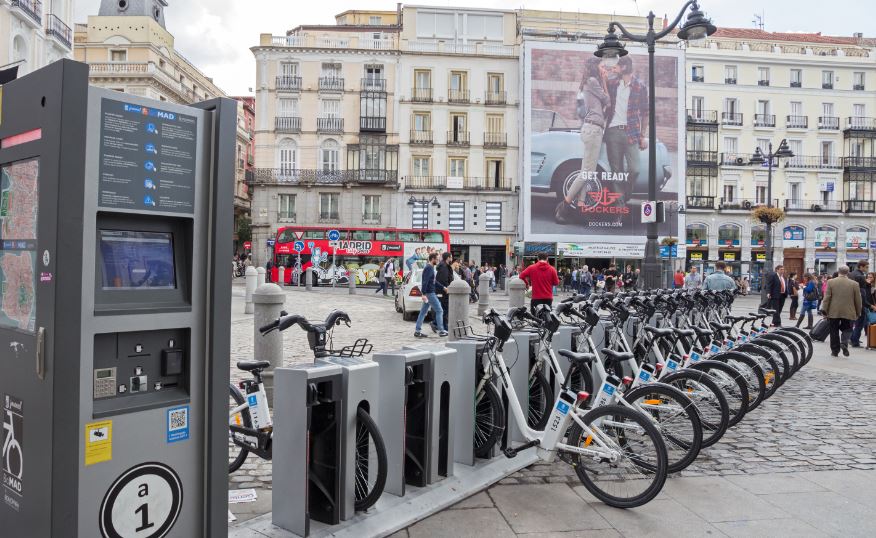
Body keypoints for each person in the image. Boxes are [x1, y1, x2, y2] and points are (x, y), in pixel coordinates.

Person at [556, 57, 611, 224]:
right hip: (593, 129)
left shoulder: (590, 82)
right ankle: (564, 207)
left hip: (593, 129)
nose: (604, 69)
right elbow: (607, 100)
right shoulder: (593, 81)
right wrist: (605, 81)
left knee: (587, 172)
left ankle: (580, 207)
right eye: (602, 66)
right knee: (586, 172)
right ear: (595, 67)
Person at [604, 55, 648, 199]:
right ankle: (619, 205)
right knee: (616, 171)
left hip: (632, 132)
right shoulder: (612, 83)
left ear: (623, 67)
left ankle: (625, 195)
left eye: (616, 66)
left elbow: (645, 113)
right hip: (613, 132)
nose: (614, 68)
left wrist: (642, 135)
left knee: (634, 169)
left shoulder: (640, 87)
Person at [820, 265, 862, 357]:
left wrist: (824, 310)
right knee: (848, 328)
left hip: (833, 311)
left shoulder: (831, 282)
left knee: (833, 330)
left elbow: (827, 297)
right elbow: (858, 300)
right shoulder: (854, 284)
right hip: (849, 311)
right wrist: (858, 311)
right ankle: (844, 342)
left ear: (838, 271)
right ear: (848, 272)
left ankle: (835, 351)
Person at [414, 253, 448, 338]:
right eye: (436, 259)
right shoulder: (429, 268)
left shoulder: (430, 268)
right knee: (439, 310)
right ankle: (441, 331)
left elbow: (433, 281)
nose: (438, 260)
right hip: (430, 293)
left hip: (429, 293)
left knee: (423, 312)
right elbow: (425, 281)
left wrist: (443, 287)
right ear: (432, 259)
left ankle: (417, 331)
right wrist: (424, 294)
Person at [849, 261, 874, 347]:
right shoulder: (860, 276)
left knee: (854, 323)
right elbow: (862, 294)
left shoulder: (851, 274)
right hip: (860, 304)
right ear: (861, 267)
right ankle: (855, 341)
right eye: (866, 267)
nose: (867, 269)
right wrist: (870, 305)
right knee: (860, 323)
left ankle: (852, 338)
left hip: (851, 302)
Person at [435, 252, 454, 333]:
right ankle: (443, 327)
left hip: (443, 291)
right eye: (451, 257)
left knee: (442, 309)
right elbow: (444, 280)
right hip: (444, 292)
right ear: (448, 258)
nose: (452, 258)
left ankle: (437, 324)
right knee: (444, 309)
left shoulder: (445, 266)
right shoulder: (444, 267)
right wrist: (447, 288)